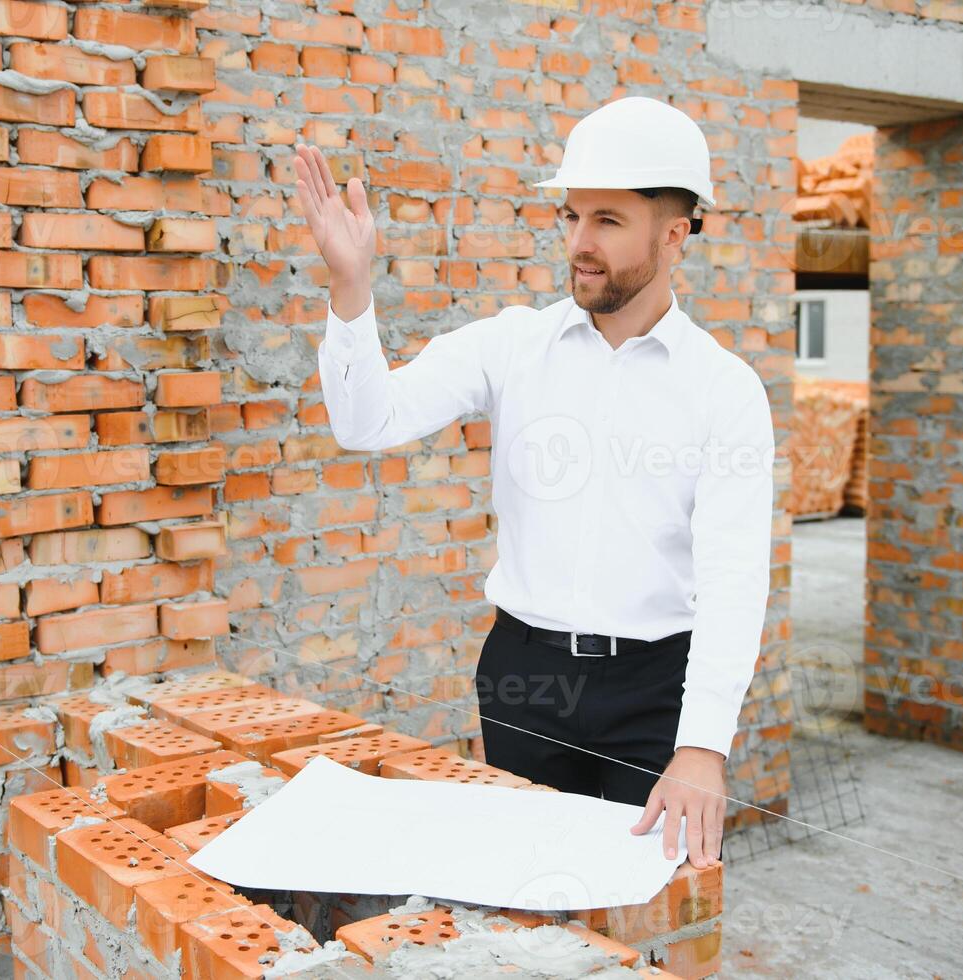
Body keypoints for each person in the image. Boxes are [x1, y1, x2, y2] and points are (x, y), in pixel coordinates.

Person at [291, 95, 775, 871]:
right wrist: (351, 288)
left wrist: (702, 747)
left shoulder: (724, 390)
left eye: (607, 221)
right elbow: (367, 422)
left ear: (674, 233)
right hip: (526, 679)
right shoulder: (512, 345)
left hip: (655, 688)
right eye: (572, 216)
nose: (579, 243)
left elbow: (734, 578)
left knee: (649, 909)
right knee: (526, 896)